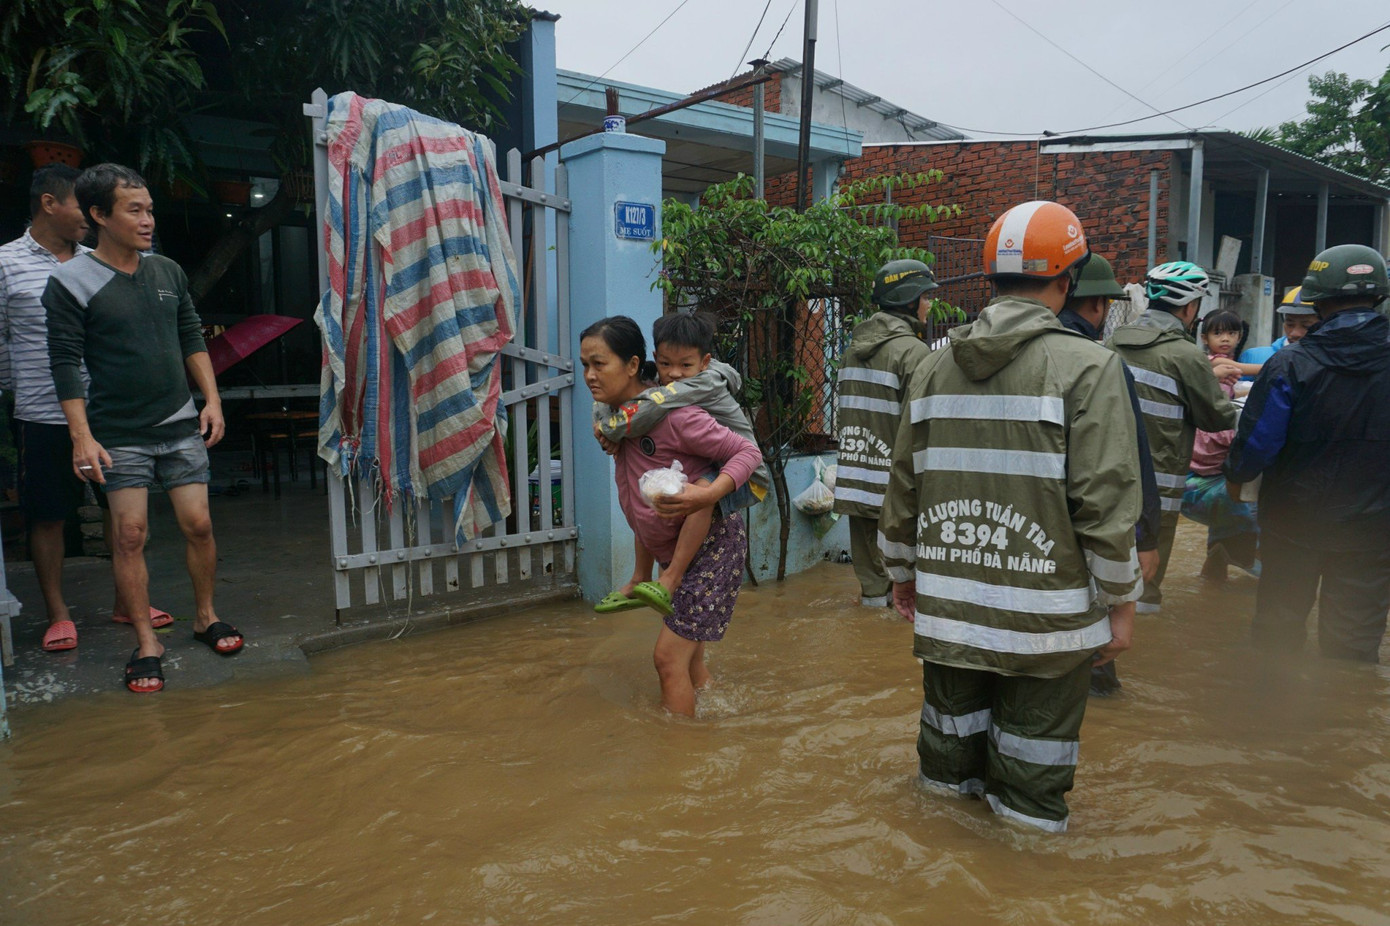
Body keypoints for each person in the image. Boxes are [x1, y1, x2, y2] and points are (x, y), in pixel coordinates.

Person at [879, 201, 1142, 832]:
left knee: (944, 781)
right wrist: (1122, 603)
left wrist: (901, 574)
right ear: (1067, 280)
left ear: (990, 279)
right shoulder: (1091, 366)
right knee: (1031, 795)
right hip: (1047, 625)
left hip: (950, 610)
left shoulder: (933, 364)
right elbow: (1105, 500)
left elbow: (904, 484)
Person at [43, 163, 243, 694]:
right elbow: (64, 361)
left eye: (150, 209)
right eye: (134, 210)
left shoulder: (167, 272)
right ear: (99, 215)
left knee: (199, 525)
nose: (148, 219)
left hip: (179, 423)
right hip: (118, 431)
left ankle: (205, 617)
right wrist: (81, 435)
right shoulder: (69, 282)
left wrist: (212, 400)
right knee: (129, 536)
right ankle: (146, 643)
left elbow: (191, 336)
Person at [0, 166, 174, 655]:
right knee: (48, 516)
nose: (91, 216)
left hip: (110, 411)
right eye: (81, 205)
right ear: (49, 204)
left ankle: (128, 603)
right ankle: (58, 613)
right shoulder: (6, 263)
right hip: (42, 414)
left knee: (125, 514)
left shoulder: (106, 260)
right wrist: (18, 391)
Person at [580, 316, 762, 716]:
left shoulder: (677, 415)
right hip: (676, 548)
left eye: (599, 364)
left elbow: (748, 452)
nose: (590, 376)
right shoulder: (621, 422)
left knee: (667, 658)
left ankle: (679, 750)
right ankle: (719, 719)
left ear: (632, 365)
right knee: (689, 660)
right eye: (585, 366)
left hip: (713, 550)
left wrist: (709, 492)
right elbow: (640, 501)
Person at [1226, 244, 1390, 662]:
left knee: (1277, 637)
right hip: (1374, 527)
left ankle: (1276, 699)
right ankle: (1345, 700)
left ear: (1317, 300)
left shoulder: (1290, 364)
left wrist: (1235, 476)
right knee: (1354, 646)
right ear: (1379, 295)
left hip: (1294, 520)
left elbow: (1258, 444)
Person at [590, 312, 769, 615]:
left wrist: (609, 427)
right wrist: (608, 429)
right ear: (655, 358)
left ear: (704, 362)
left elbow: (646, 407)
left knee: (700, 489)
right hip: (720, 459)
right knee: (653, 489)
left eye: (685, 365)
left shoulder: (699, 384)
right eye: (665, 364)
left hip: (747, 472)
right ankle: (640, 576)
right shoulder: (668, 384)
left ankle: (671, 576)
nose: (674, 374)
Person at [1106, 261, 1237, 614]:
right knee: (1145, 589)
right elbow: (1216, 418)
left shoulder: (1113, 341)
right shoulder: (1186, 354)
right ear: (1190, 307)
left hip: (1108, 479)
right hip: (1159, 487)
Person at [1056, 253, 1160, 696]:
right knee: (1095, 660)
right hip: (1087, 537)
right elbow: (1127, 464)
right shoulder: (1100, 365)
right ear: (1098, 304)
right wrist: (1146, 538)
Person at [832, 259, 939, 609]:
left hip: (857, 479)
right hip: (897, 488)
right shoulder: (913, 352)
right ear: (909, 299)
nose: (929, 305)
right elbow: (921, 427)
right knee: (906, 585)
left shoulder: (852, 349)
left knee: (873, 589)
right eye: (926, 297)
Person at [1184, 309, 1258, 579]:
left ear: (1239, 336)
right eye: (1218, 333)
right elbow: (1249, 371)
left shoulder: (1219, 365)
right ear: (1205, 338)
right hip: (1214, 437)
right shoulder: (1217, 361)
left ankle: (1218, 568)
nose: (1225, 338)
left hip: (1212, 438)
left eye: (1231, 333)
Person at [1229, 286, 1319, 378]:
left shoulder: (1326, 362)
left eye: (1306, 326)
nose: (1294, 333)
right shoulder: (1254, 357)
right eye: (1290, 324)